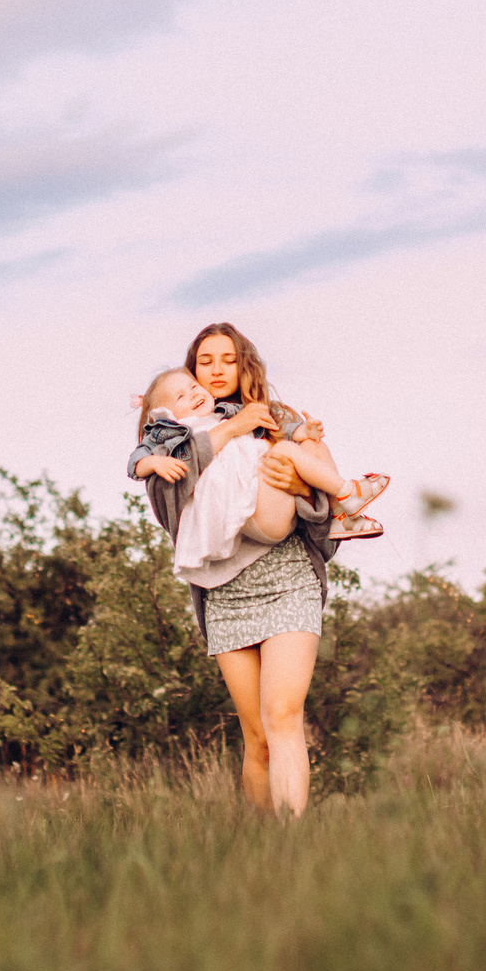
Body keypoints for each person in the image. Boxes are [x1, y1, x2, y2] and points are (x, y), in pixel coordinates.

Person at [134, 322, 366, 816]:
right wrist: (228, 431)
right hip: (225, 593)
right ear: (190, 372)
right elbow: (167, 504)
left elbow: (314, 514)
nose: (216, 371)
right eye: (205, 362)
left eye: (228, 360)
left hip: (286, 580)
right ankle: (264, 853)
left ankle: (291, 843)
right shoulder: (172, 436)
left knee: (283, 716)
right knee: (257, 737)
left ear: (244, 366)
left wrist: (305, 491)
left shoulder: (270, 422)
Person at [129, 367, 387, 558]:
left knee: (313, 445)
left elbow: (273, 428)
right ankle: (348, 492)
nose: (194, 394)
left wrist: (304, 432)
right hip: (246, 512)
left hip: (264, 498)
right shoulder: (172, 433)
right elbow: (136, 461)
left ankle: (341, 515)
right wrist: (153, 463)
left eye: (194, 386)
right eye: (181, 397)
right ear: (167, 414)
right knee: (284, 449)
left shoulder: (225, 414)